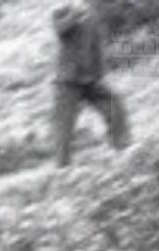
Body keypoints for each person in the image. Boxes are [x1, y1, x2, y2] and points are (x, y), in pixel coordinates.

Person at [51, 0, 129, 167]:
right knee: (65, 127)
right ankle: (62, 169)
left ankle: (123, 151)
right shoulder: (62, 8)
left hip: (91, 78)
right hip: (68, 81)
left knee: (115, 106)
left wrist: (100, 73)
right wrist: (75, 14)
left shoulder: (93, 13)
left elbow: (96, 45)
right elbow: (59, 28)